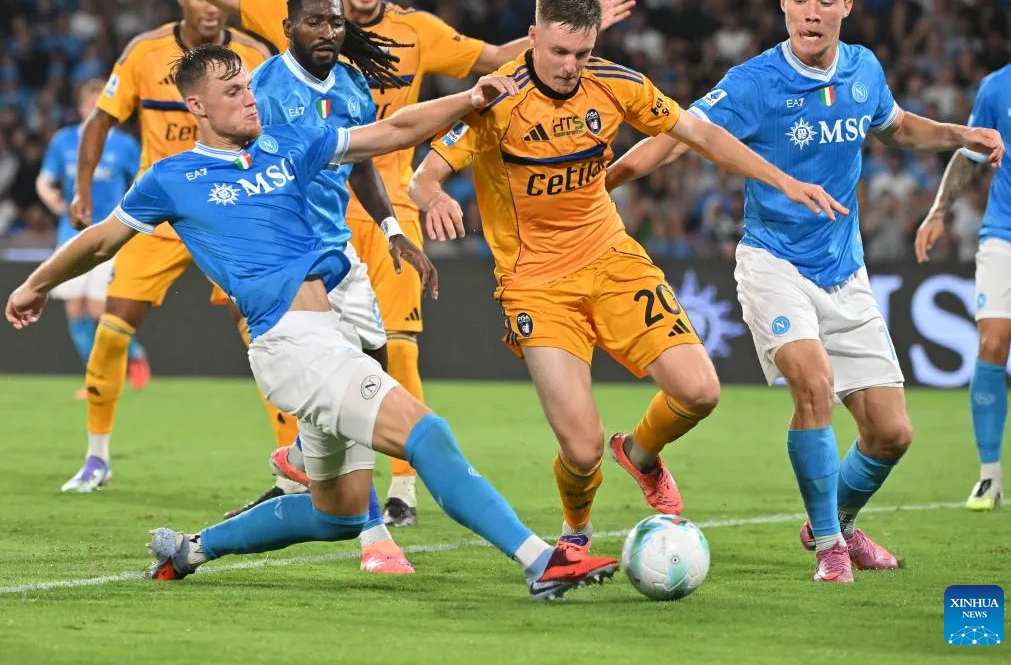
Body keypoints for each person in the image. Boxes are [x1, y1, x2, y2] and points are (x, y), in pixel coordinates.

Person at [6, 45, 619, 601]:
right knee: (427, 434)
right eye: (232, 92)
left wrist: (469, 97)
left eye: (249, 87)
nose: (250, 99)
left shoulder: (286, 143)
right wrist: (36, 284)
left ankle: (189, 550)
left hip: (324, 338)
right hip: (290, 346)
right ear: (197, 106)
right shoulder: (172, 179)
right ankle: (541, 560)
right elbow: (100, 240)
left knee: (339, 512)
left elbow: (391, 131)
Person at [200, 0, 637, 526]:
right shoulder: (296, 13)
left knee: (396, 346)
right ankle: (301, 471)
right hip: (302, 212)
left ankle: (401, 487)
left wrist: (565, 37)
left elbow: (496, 60)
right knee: (298, 344)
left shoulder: (419, 32)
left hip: (388, 201)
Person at [408, 0, 845, 557]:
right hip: (536, 284)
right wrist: (435, 197)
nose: (570, 66)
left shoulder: (617, 85)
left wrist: (782, 180)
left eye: (582, 53)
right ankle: (576, 529)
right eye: (559, 52)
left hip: (612, 259)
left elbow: (700, 134)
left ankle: (640, 452)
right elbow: (424, 175)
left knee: (700, 391)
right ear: (532, 37)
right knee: (581, 448)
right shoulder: (497, 99)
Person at [604, 0, 1003, 582]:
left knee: (891, 434)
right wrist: (603, 181)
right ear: (783, 6)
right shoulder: (754, 82)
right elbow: (677, 136)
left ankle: (837, 521)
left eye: (825, 1)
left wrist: (961, 134)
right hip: (774, 264)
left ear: (847, 7)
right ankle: (830, 547)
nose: (811, 13)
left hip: (844, 270)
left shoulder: (864, 68)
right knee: (813, 385)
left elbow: (897, 126)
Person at [235, 0, 438, 574]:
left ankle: (303, 457)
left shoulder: (351, 85)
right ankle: (375, 535)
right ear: (288, 27)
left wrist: (393, 229)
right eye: (314, 21)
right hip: (289, 264)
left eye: (335, 22)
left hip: (339, 254)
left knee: (375, 364)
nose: (327, 31)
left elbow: (362, 163)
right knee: (346, 387)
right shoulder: (264, 90)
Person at [61, 0, 272, 493]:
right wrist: (83, 190)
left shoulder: (254, 55)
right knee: (112, 331)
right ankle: (96, 457)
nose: (209, 6)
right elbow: (100, 122)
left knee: (268, 338)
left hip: (230, 207)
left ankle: (294, 466)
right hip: (160, 212)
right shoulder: (145, 52)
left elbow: (277, 130)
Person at [915, 1, 1011, 511]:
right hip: (1006, 234)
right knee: (992, 344)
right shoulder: (998, 87)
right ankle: (989, 476)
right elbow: (970, 153)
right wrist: (938, 211)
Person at [36, 79, 148, 400]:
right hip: (70, 236)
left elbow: (142, 179)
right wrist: (56, 202)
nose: (96, 111)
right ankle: (93, 378)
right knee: (75, 309)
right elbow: (45, 180)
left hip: (108, 237)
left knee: (99, 308)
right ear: (81, 107)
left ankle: (133, 355)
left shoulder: (124, 145)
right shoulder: (64, 140)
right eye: (90, 105)